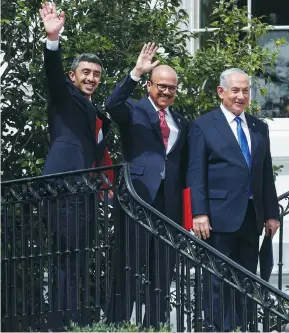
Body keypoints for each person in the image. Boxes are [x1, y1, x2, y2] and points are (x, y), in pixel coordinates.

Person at [187, 68, 280, 331]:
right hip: (216, 218)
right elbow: (196, 172)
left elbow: (265, 174)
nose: (241, 96)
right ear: (221, 92)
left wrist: (272, 213)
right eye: (235, 90)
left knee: (246, 279)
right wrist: (199, 212)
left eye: (245, 90)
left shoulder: (258, 127)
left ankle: (242, 328)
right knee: (215, 281)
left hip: (251, 217)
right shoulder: (203, 125)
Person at [104, 43, 189, 328]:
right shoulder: (133, 109)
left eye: (172, 88)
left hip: (170, 205)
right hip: (138, 199)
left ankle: (154, 325)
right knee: (127, 266)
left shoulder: (181, 122)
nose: (166, 91)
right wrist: (136, 72)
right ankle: (117, 324)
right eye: (161, 86)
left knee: (163, 271)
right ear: (150, 85)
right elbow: (111, 104)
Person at [39, 1, 113, 326]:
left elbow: (99, 155)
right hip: (63, 186)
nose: (92, 78)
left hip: (84, 192)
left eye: (97, 74)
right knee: (64, 259)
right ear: (73, 75)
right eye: (86, 72)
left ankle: (70, 320)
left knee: (75, 260)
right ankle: (62, 322)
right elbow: (52, 75)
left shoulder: (97, 115)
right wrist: (52, 40)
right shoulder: (64, 96)